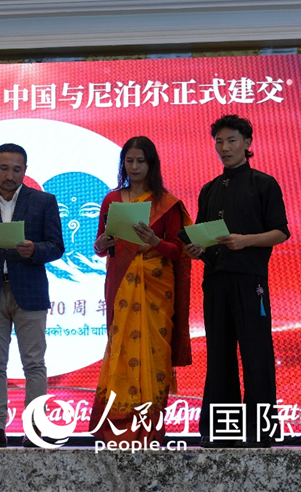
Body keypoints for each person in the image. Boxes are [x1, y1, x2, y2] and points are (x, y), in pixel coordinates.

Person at [187, 115, 289, 448]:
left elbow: (280, 232)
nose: (225, 148)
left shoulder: (263, 184)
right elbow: (202, 236)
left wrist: (245, 241)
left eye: (232, 140)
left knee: (256, 352)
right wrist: (196, 249)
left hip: (250, 280)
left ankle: (260, 431)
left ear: (247, 143)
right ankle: (221, 430)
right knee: (219, 354)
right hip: (216, 280)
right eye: (219, 141)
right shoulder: (209, 189)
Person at [0, 143, 64, 447]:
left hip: (30, 290)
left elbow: (57, 246)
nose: (10, 175)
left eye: (17, 169)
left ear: (25, 171)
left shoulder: (43, 201)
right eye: (4, 168)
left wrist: (35, 250)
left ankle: (35, 428)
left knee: (34, 364)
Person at [90, 137, 192, 445]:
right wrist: (102, 243)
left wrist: (154, 241)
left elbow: (179, 250)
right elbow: (100, 246)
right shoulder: (112, 200)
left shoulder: (166, 204)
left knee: (154, 355)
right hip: (121, 285)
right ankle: (117, 427)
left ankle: (149, 429)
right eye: (129, 161)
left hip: (156, 290)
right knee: (120, 352)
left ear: (151, 164)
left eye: (141, 161)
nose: (134, 167)